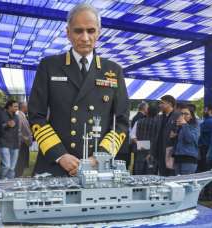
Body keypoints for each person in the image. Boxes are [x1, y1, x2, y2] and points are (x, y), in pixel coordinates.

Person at [27, 3, 129, 177]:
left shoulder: (113, 70)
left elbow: (121, 122)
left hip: (98, 167)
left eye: (90, 31)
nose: (85, 37)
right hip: (55, 164)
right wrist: (60, 155)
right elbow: (36, 115)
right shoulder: (49, 66)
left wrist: (99, 157)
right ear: (68, 32)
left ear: (99, 32)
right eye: (78, 31)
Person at [150, 95, 181, 176]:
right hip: (159, 152)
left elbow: (180, 132)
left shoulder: (178, 115)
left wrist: (176, 134)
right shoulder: (159, 117)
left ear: (170, 104)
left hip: (171, 152)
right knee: (162, 175)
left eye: (162, 103)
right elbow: (154, 135)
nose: (160, 105)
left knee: (171, 176)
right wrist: (152, 152)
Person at [131, 104, 159, 175]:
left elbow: (132, 136)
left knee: (139, 173)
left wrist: (140, 144)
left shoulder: (139, 122)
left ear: (147, 111)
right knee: (151, 173)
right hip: (153, 152)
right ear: (157, 113)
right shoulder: (159, 124)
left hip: (140, 150)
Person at [172, 105, 200, 175]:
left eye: (186, 114)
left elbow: (189, 139)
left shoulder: (195, 126)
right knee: (178, 183)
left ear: (191, 116)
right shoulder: (179, 126)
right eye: (182, 113)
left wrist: (185, 125)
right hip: (178, 158)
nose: (183, 115)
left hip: (189, 159)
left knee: (186, 183)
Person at [197, 105, 212, 200]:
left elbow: (199, 132)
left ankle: (207, 194)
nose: (203, 111)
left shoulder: (208, 122)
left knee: (205, 172)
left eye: (205, 109)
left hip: (205, 148)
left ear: (209, 111)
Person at [0, 100, 21, 179]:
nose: (17, 108)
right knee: (6, 165)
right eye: (15, 106)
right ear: (9, 107)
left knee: (12, 168)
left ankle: (9, 184)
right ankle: (0, 179)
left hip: (15, 144)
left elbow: (18, 130)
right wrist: (6, 125)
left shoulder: (17, 117)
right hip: (4, 143)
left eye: (17, 106)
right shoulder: (1, 115)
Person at [15, 102, 32, 177]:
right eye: (27, 107)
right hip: (21, 143)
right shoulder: (19, 115)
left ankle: (19, 175)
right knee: (20, 162)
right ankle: (17, 176)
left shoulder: (22, 115)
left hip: (24, 142)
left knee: (22, 162)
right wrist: (23, 137)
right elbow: (18, 130)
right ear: (24, 107)